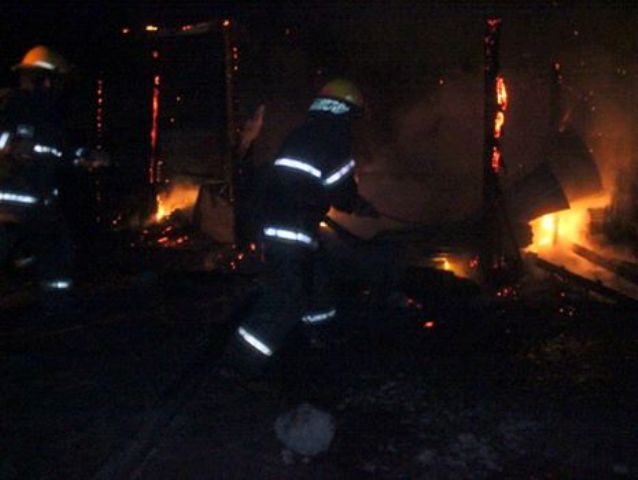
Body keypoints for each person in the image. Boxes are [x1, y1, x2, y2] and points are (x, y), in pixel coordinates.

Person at [222, 78, 380, 378]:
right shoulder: (335, 139)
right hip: (291, 229)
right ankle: (240, 363)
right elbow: (341, 191)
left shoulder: (304, 133)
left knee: (317, 279)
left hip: (282, 221)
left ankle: (320, 336)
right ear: (347, 111)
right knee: (288, 298)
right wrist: (362, 208)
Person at [0, 45, 106, 316]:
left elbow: (56, 151)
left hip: (38, 205)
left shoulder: (48, 115)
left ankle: (57, 314)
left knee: (56, 259)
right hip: (7, 206)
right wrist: (11, 144)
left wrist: (84, 156)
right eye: (53, 80)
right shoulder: (10, 105)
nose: (55, 87)